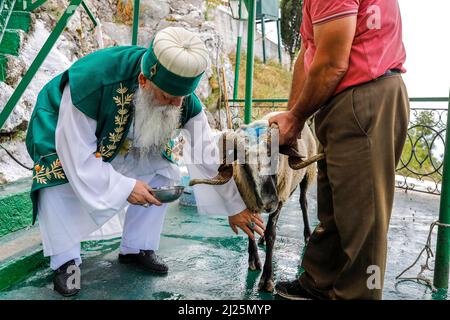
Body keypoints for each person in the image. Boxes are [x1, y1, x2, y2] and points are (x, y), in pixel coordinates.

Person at [26, 26, 265, 297]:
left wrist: (233, 206)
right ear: (143, 81)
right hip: (61, 128)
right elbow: (76, 155)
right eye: (167, 98)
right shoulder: (93, 80)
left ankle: (136, 248)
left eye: (181, 99)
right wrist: (126, 187)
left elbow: (206, 154)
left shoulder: (179, 94)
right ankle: (66, 262)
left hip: (116, 140)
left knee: (163, 172)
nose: (176, 106)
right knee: (58, 179)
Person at [269, 0, 410, 300]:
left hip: (363, 97)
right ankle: (319, 283)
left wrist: (295, 120)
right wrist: (294, 116)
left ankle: (359, 295)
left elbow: (332, 62)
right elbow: (308, 56)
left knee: (364, 220)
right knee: (335, 207)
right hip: (345, 101)